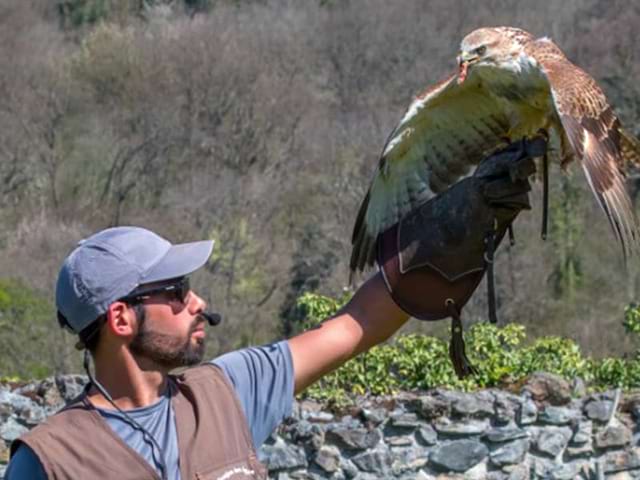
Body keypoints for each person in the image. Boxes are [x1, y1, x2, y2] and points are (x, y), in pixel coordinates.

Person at [5, 139, 540, 479]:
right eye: (174, 291)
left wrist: (462, 225)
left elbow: (356, 327)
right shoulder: (50, 460)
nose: (197, 302)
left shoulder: (227, 392)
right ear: (121, 318)